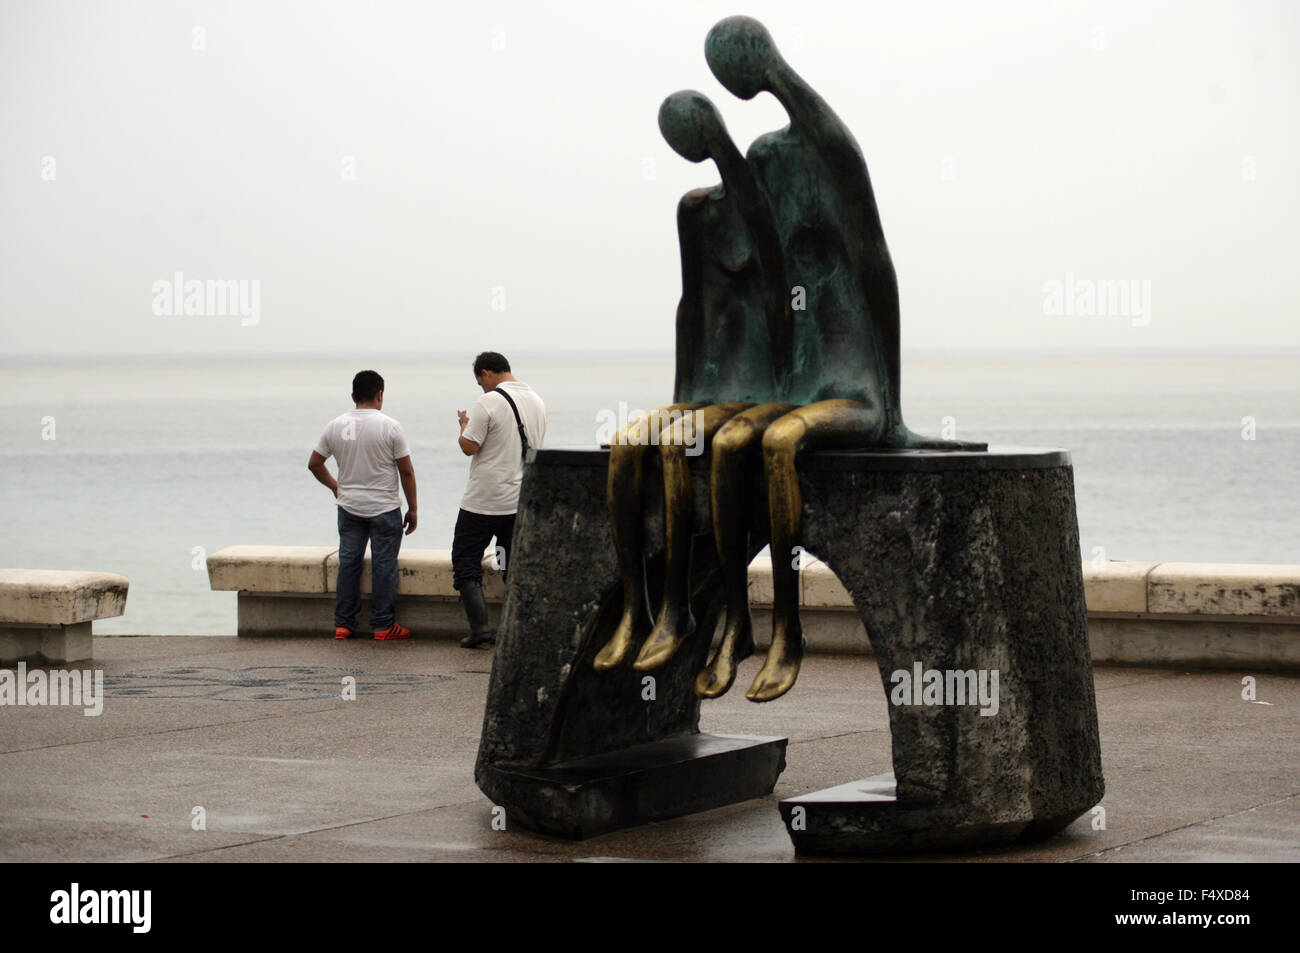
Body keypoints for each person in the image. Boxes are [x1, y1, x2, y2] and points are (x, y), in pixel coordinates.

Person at [308, 370, 418, 641]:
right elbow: (406, 471)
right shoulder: (391, 426)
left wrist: (336, 486)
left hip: (348, 507)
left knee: (349, 563)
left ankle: (344, 624)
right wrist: (413, 508)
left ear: (353, 396)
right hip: (384, 508)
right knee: (384, 565)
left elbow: (314, 464)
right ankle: (382, 626)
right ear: (380, 394)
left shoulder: (335, 425)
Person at [454, 352, 547, 648]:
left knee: (466, 559)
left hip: (483, 501)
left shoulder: (489, 401)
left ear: (486, 373)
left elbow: (470, 446)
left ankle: (480, 629)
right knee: (512, 564)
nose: (481, 387)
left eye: (479, 381)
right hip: (519, 499)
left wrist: (463, 426)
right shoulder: (537, 401)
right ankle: (518, 630)